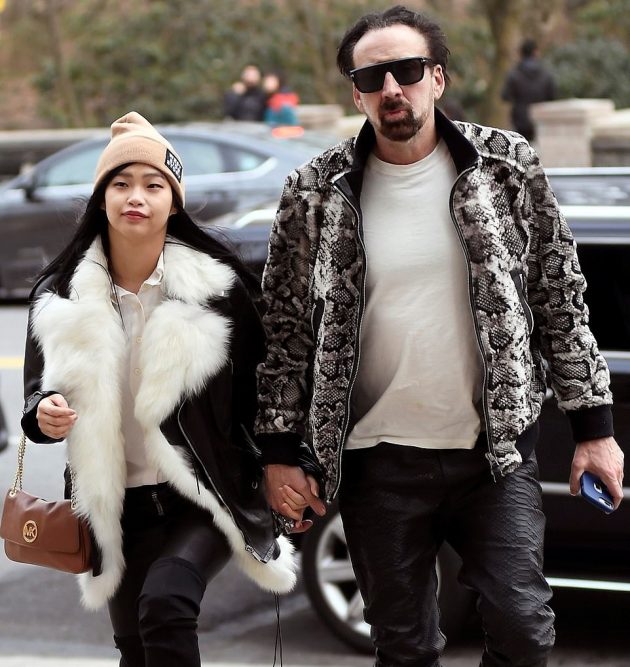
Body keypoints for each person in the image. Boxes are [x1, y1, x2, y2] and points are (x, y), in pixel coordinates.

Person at [254, 5, 624, 667]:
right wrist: (280, 449)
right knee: (404, 647)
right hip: (375, 461)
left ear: (438, 78)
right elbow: (283, 330)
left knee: (523, 632)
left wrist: (593, 429)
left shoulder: (506, 168)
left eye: (407, 70)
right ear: (356, 93)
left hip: (494, 455)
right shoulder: (313, 193)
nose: (391, 88)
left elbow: (560, 299)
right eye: (372, 77)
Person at [20, 111, 296, 667]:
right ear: (101, 198)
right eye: (120, 183)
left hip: (201, 493)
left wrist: (282, 461)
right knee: (137, 649)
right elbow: (35, 395)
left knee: (167, 606)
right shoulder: (59, 298)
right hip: (113, 503)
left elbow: (266, 390)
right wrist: (43, 412)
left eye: (153, 185)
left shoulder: (217, 290)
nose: (135, 197)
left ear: (174, 202)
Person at [502, 38, 556, 141]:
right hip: (541, 119)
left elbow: (505, 96)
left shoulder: (514, 74)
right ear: (536, 52)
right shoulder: (546, 75)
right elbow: (551, 97)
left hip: (520, 120)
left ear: (521, 53)